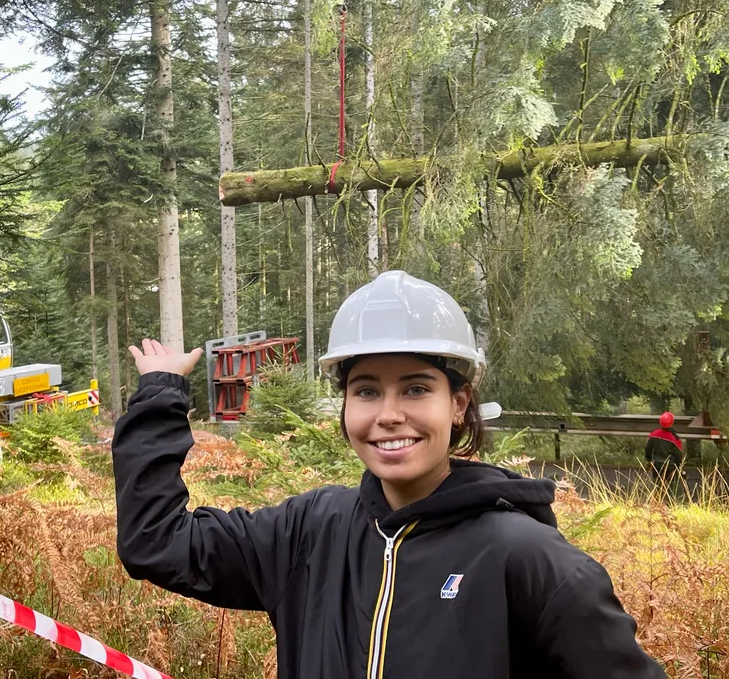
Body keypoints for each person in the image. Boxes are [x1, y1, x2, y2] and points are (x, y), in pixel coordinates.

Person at [113, 270, 665, 678]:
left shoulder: (527, 559)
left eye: (417, 388)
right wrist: (161, 395)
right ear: (346, 405)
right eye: (367, 390)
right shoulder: (308, 531)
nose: (388, 414)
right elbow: (155, 543)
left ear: (458, 403)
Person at [645, 411, 684, 488]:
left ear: (660, 422)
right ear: (672, 422)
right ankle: (671, 499)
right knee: (672, 488)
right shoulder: (675, 438)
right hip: (670, 466)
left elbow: (648, 449)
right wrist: (679, 466)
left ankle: (657, 499)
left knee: (657, 487)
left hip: (657, 465)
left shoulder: (654, 434)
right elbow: (678, 455)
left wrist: (649, 460)